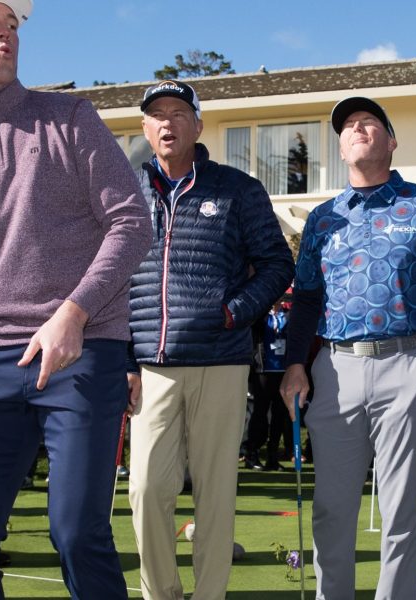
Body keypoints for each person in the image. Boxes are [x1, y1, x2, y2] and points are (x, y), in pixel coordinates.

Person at [0, 0, 153, 597]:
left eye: (12, 24)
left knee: (76, 534)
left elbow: (131, 223)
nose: (5, 33)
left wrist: (74, 312)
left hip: (84, 354)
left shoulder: (70, 117)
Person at [123, 78, 293, 600]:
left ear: (198, 125)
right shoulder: (123, 190)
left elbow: (277, 264)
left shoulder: (238, 189)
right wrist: (123, 357)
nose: (168, 123)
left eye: (179, 113)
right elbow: (108, 275)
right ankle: (161, 594)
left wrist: (232, 312)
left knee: (216, 496)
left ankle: (210, 594)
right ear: (145, 128)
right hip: (149, 365)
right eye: (158, 115)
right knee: (146, 490)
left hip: (221, 361)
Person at [281, 95, 416, 600]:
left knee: (400, 510)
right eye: (349, 126)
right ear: (340, 149)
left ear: (392, 141)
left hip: (409, 362)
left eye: (369, 122)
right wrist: (295, 364)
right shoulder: (323, 218)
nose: (358, 129)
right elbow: (306, 299)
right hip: (336, 368)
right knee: (331, 509)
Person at [245, 300, 291, 471]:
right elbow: (253, 330)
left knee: (280, 414)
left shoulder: (287, 314)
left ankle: (273, 456)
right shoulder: (262, 315)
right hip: (263, 369)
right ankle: (252, 453)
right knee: (260, 412)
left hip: (283, 369)